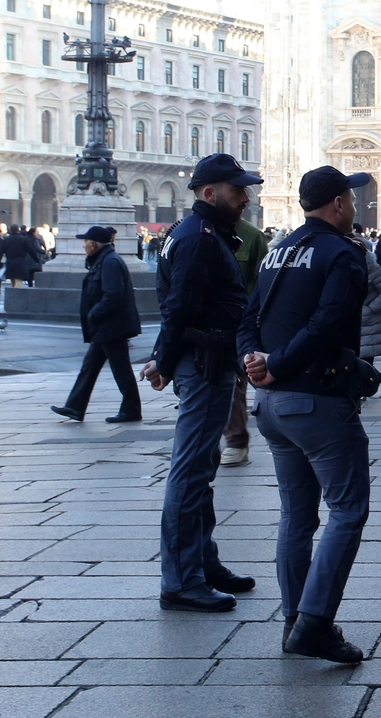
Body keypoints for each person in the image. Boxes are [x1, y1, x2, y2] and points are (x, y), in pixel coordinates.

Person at [239, 167, 373, 663]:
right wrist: (276, 365)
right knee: (348, 509)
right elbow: (326, 323)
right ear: (338, 203)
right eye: (352, 200)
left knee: (296, 515)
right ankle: (315, 623)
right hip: (315, 399)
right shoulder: (342, 252)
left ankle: (293, 618)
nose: (355, 208)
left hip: (273, 407)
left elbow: (248, 316)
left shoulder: (279, 249)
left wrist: (255, 362)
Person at [139, 153, 261, 612]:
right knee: (190, 473)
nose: (245, 199)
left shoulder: (196, 234)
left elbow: (177, 302)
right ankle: (182, 579)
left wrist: (163, 357)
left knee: (201, 468)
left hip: (207, 359)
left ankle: (203, 563)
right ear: (209, 194)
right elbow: (179, 307)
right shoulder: (197, 239)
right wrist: (164, 362)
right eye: (237, 191)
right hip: (205, 363)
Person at [51, 226, 143, 423]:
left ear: (93, 245)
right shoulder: (104, 260)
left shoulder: (109, 262)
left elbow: (113, 295)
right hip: (107, 325)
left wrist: (94, 314)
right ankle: (75, 406)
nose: (83, 245)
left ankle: (131, 409)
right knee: (90, 366)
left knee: (120, 368)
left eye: (85, 242)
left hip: (111, 325)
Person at [220, 219, 269, 467]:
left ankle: (236, 440)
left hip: (242, 323)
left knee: (238, 380)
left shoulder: (252, 236)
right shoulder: (192, 232)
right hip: (205, 323)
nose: (245, 199)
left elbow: (266, 283)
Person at [359, 249, 381, 362]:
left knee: (365, 367)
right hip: (348, 323)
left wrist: (371, 308)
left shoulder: (371, 267)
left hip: (368, 322)